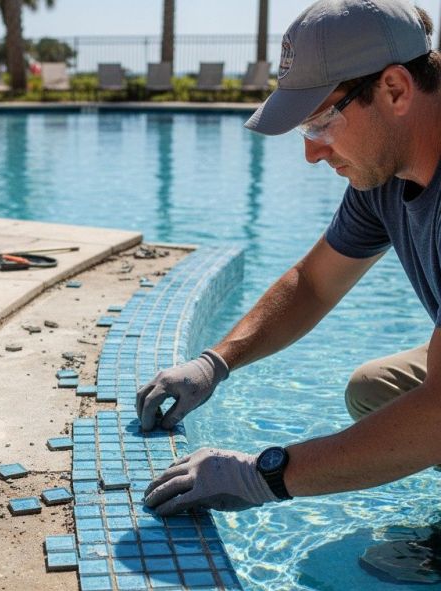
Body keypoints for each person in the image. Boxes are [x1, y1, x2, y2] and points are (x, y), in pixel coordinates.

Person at [137, 0, 441, 518]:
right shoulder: (384, 177)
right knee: (378, 390)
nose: (312, 152)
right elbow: (314, 284)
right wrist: (215, 362)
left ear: (395, 89)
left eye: (321, 121)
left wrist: (266, 475)